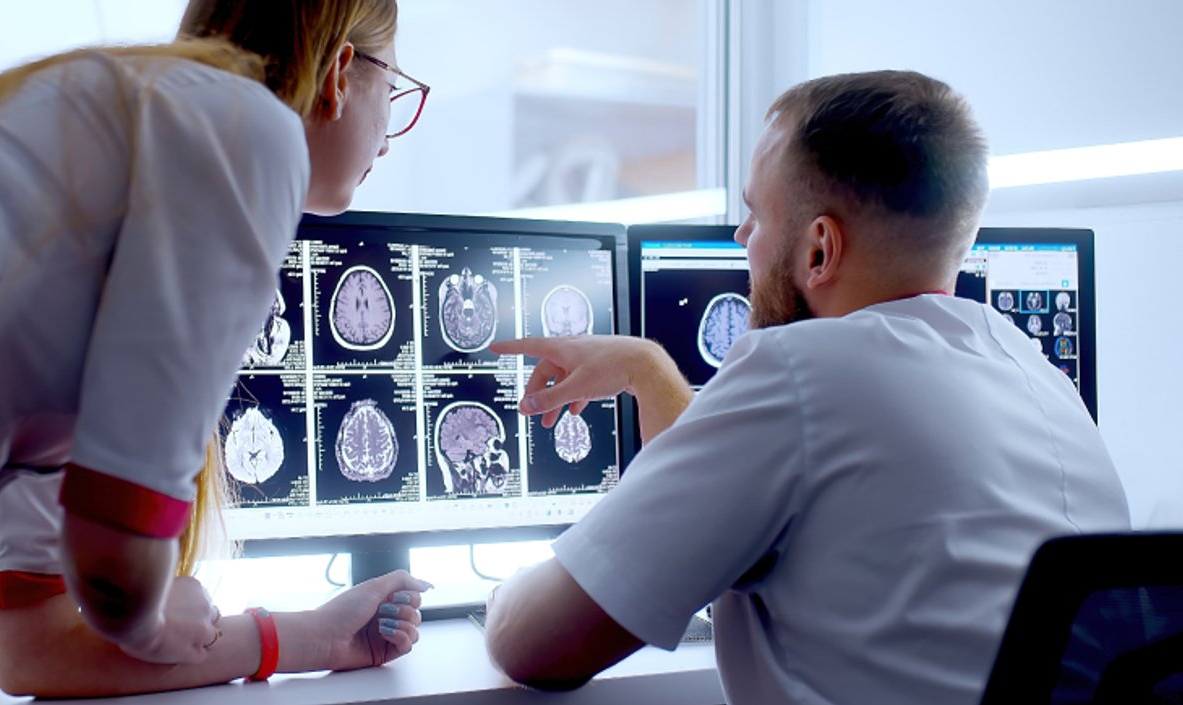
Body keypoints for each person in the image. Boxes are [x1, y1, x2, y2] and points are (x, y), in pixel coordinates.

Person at [483, 70, 1132, 704]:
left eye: (754, 216)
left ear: (819, 248)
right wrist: (649, 369)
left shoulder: (799, 368)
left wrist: (505, 595)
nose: (742, 238)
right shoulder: (1042, 376)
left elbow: (534, 644)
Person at [0, 0, 432, 697]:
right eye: (396, 88)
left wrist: (310, 636)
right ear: (341, 70)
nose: (390, 138)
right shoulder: (249, 130)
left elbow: (33, 645)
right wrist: (152, 616)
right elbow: (112, 568)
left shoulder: (117, 136)